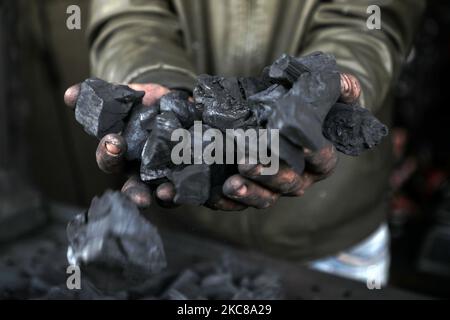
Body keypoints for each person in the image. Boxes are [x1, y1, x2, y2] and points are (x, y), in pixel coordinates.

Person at [64, 0, 425, 285]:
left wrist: (323, 92)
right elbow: (129, 15)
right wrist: (153, 80)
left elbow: (372, 17)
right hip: (183, 236)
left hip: (331, 234)